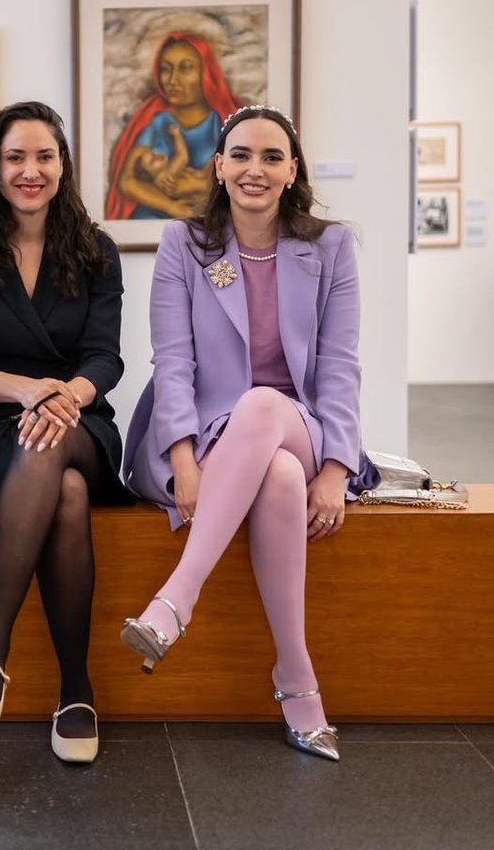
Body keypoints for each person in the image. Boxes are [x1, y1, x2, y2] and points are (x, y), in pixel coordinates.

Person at [121, 105, 372, 763]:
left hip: (300, 426)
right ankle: (296, 681)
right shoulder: (184, 243)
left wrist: (337, 469)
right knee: (278, 478)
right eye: (240, 155)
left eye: (269, 157)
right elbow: (172, 359)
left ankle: (177, 599)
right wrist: (182, 460)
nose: (253, 169)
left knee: (267, 410)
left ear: (292, 171)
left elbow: (341, 363)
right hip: (207, 433)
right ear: (218, 165)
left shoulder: (331, 247)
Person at [0, 101, 125, 764]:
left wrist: (65, 397)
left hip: (83, 424)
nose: (30, 170)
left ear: (63, 165)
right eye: (15, 157)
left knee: (59, 452)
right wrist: (29, 391)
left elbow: (105, 357)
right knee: (66, 495)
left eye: (44, 156)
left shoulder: (96, 250)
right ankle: (76, 689)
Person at [106, 32, 244, 221]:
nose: (172, 79)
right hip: (154, 218)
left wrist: (204, 192)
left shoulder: (222, 121)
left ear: (206, 73)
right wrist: (172, 207)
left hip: (214, 220)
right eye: (165, 69)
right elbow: (127, 181)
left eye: (185, 68)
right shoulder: (158, 123)